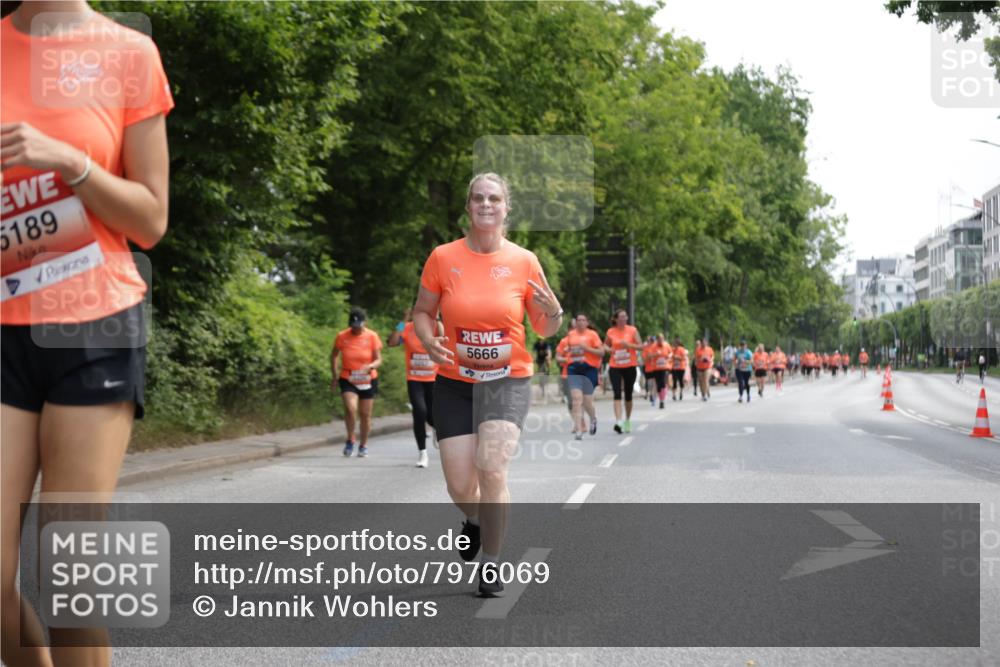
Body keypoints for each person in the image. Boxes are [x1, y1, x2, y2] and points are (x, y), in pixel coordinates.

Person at [1, 3, 173, 665]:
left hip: (92, 323)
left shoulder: (129, 52)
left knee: (72, 575)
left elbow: (151, 218)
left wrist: (69, 160)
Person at [412, 172, 563, 598]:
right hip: (455, 384)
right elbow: (422, 311)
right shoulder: (443, 257)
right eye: (478, 198)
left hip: (507, 381)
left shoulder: (524, 261)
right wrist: (427, 337)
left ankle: (492, 565)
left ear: (505, 207)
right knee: (460, 486)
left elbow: (544, 326)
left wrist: (556, 314)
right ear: (468, 206)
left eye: (493, 198)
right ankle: (476, 520)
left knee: (492, 468)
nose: (485, 204)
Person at [388, 307, 441, 468]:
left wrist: (437, 318)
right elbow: (392, 342)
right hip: (414, 379)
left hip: (433, 379)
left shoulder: (435, 327)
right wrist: (403, 321)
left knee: (432, 415)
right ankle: (422, 453)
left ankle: (438, 428)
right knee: (419, 412)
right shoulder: (408, 328)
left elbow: (447, 338)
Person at [332, 308, 383, 458]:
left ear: (364, 323)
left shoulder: (372, 336)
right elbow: (334, 355)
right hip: (348, 378)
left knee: (365, 414)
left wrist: (372, 365)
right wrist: (334, 376)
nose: (355, 329)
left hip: (368, 379)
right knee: (350, 408)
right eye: (353, 326)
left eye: (358, 326)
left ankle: (363, 444)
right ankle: (350, 439)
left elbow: (379, 358)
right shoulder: (342, 336)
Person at [564, 313, 604, 439]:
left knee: (587, 401)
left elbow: (602, 352)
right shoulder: (571, 335)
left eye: (583, 320)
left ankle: (593, 418)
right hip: (574, 368)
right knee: (576, 400)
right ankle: (579, 429)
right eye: (578, 320)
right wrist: (568, 352)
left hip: (589, 369)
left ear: (587, 322)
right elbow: (568, 350)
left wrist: (587, 348)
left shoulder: (592, 335)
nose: (580, 322)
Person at [604, 309, 643, 434]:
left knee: (628, 394)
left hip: (630, 365)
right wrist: (609, 350)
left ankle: (627, 420)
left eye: (625, 316)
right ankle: (618, 422)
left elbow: (641, 346)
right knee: (616, 392)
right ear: (615, 319)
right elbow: (605, 345)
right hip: (615, 365)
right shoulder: (611, 331)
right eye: (620, 317)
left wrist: (629, 346)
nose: (623, 319)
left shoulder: (632, 330)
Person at [651, 334, 672, 408]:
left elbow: (671, 353)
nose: (661, 340)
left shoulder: (667, 345)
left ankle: (662, 401)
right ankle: (661, 397)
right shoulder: (653, 346)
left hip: (665, 367)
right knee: (658, 384)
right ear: (657, 339)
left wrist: (669, 357)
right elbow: (650, 355)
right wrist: (655, 354)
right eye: (659, 339)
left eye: (662, 339)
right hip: (656, 368)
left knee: (663, 383)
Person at [533, 336, 552, 402]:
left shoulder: (546, 344)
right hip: (539, 360)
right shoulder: (536, 344)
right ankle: (541, 384)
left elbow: (549, 352)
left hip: (545, 359)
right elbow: (534, 352)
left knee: (546, 370)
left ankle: (547, 382)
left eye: (542, 340)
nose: (541, 341)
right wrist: (534, 358)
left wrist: (548, 357)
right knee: (540, 372)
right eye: (540, 340)